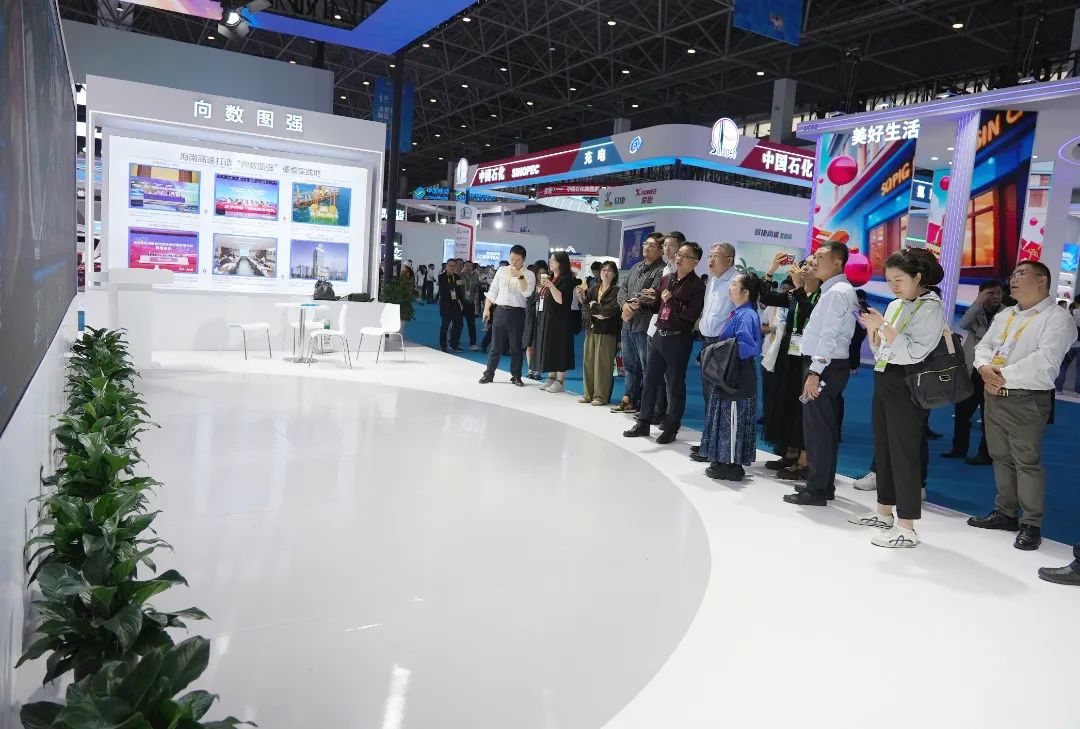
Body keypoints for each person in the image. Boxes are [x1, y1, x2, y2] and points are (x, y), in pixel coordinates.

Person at [967, 260, 1077, 550]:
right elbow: (984, 345)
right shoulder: (1006, 314)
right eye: (1013, 274)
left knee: (1026, 461)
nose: (1013, 279)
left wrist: (999, 375)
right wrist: (983, 368)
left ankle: (1031, 523)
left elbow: (1045, 360)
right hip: (994, 393)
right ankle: (1005, 512)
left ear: (1042, 280)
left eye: (1021, 274)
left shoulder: (1057, 318)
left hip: (1026, 397)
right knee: (1000, 456)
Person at [846, 249, 946, 548]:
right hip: (886, 377)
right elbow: (881, 350)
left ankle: (907, 525)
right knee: (885, 449)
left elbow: (914, 352)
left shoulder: (931, 307)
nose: (893, 286)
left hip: (909, 383)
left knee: (904, 453)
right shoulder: (895, 305)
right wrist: (874, 330)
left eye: (899, 279)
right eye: (889, 280)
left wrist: (883, 327)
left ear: (918, 277)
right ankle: (883, 512)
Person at [782, 239, 858, 506]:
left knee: (817, 430)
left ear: (837, 262)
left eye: (820, 257)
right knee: (824, 429)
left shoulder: (837, 292)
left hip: (824, 367)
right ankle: (823, 486)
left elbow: (829, 335)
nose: (814, 261)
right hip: (828, 366)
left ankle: (816, 489)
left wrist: (814, 372)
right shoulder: (836, 289)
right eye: (814, 256)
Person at [623, 242, 707, 444]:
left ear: (695, 262)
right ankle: (643, 422)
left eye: (685, 256)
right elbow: (657, 306)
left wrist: (672, 302)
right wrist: (640, 305)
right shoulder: (667, 279)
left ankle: (671, 428)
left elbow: (691, 315)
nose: (679, 258)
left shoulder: (697, 286)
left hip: (678, 338)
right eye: (679, 254)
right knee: (650, 381)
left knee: (675, 385)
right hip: (659, 335)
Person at [759, 253, 821, 479]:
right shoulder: (794, 294)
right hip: (788, 354)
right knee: (784, 401)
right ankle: (789, 452)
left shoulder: (822, 297)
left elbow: (809, 315)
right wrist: (771, 269)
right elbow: (766, 297)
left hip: (807, 356)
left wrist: (799, 288)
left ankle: (803, 458)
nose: (805, 268)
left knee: (801, 405)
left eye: (811, 265)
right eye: (804, 264)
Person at [698, 272, 764, 481]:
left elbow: (747, 347)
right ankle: (724, 458)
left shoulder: (747, 315)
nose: (730, 287)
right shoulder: (740, 313)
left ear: (746, 292)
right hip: (731, 374)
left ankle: (732, 464)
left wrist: (719, 350)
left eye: (734, 284)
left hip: (738, 376)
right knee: (727, 417)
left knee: (734, 418)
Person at [943, 279, 1004, 464]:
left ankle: (985, 454)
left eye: (998, 293)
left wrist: (980, 331)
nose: (996, 297)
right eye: (990, 293)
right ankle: (959, 448)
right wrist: (978, 303)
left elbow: (998, 339)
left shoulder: (1007, 313)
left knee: (989, 416)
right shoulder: (976, 310)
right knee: (962, 412)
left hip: (993, 370)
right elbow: (964, 323)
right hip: (971, 369)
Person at [688, 243, 739, 457]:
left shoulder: (736, 281)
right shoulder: (713, 280)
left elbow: (739, 314)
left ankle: (718, 447)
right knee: (709, 395)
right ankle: (709, 441)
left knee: (719, 396)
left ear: (729, 260)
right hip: (707, 342)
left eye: (716, 256)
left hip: (723, 344)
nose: (710, 260)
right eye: (710, 255)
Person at [612, 233, 666, 413]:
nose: (646, 247)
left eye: (651, 245)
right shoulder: (635, 267)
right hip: (627, 323)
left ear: (660, 251)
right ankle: (629, 398)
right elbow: (622, 290)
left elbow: (652, 296)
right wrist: (624, 305)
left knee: (646, 366)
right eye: (645, 243)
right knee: (629, 364)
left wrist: (632, 307)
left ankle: (646, 404)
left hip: (644, 324)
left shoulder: (661, 270)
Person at [479, 246, 535, 386]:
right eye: (512, 259)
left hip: (517, 313)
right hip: (500, 311)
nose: (514, 262)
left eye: (517, 260)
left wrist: (520, 276)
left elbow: (527, 293)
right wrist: (486, 309)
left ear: (523, 259)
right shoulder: (502, 270)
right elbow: (493, 291)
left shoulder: (529, 274)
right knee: (495, 346)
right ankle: (488, 374)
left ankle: (516, 376)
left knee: (516, 347)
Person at [578, 261, 621, 405]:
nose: (605, 273)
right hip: (591, 329)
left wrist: (595, 306)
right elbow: (585, 306)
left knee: (603, 365)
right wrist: (594, 313)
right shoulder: (593, 289)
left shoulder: (617, 291)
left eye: (609, 270)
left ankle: (600, 396)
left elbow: (611, 310)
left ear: (614, 274)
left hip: (608, 331)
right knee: (588, 362)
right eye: (603, 270)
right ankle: (588, 394)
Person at [534, 251, 577, 393]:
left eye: (553, 260)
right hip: (549, 319)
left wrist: (551, 286)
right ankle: (551, 378)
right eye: (550, 260)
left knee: (560, 350)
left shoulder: (566, 279)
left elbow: (561, 300)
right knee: (550, 349)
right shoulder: (552, 277)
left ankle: (560, 381)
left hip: (561, 321)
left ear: (561, 263)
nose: (550, 262)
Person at [523, 261, 549, 380]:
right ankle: (530, 370)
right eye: (539, 273)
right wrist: (538, 294)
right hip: (531, 319)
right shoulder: (531, 286)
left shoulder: (549, 286)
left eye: (544, 273)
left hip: (543, 320)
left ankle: (538, 371)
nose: (541, 275)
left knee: (540, 346)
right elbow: (528, 301)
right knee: (529, 345)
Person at [438, 259, 465, 353]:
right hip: (446, 304)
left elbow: (459, 292)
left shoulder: (457, 276)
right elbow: (443, 290)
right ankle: (443, 346)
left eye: (454, 265)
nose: (452, 267)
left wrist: (462, 302)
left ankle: (454, 344)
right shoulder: (441, 277)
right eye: (450, 265)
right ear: (446, 266)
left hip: (455, 304)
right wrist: (455, 283)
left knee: (459, 324)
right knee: (445, 326)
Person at [1054, 301, 1080, 393]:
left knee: (1063, 366)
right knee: (1079, 370)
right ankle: (1078, 391)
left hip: (1070, 345)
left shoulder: (1069, 314)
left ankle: (1058, 387)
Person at [459, 261, 480, 350]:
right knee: (458, 324)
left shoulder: (474, 277)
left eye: (470, 266)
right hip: (460, 303)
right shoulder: (459, 276)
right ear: (463, 267)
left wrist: (476, 303)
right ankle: (455, 341)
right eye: (466, 266)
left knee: (471, 324)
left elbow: (476, 290)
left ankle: (473, 343)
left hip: (470, 303)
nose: (468, 268)